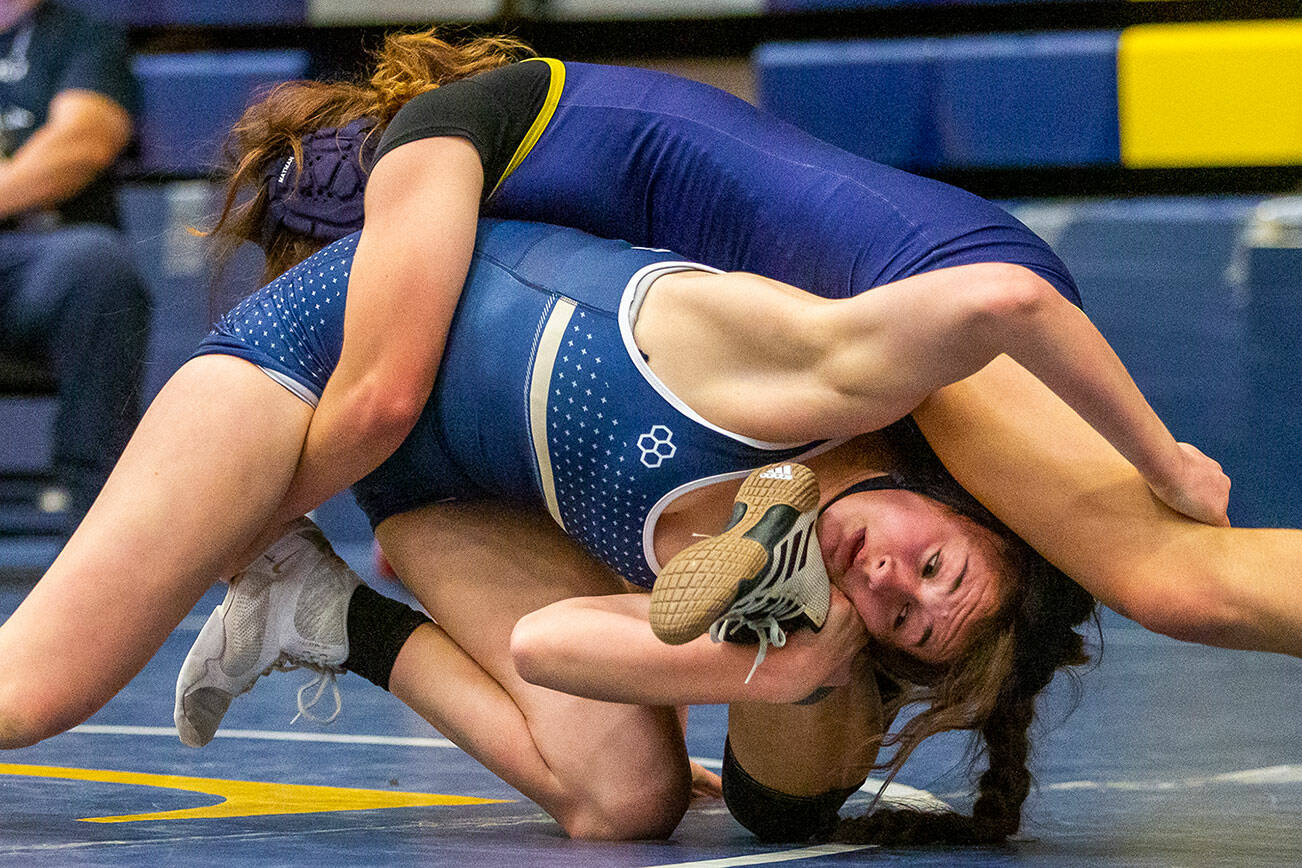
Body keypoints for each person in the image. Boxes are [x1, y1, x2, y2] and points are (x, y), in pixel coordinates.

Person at [204, 30, 1302, 659]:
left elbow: (379, 397)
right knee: (837, 603)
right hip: (904, 307)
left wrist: (243, 512)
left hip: (933, 301)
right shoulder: (525, 151)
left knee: (1179, 580)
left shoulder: (429, 157)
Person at [167, 216, 1099, 844]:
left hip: (464, 499)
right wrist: (1165, 464)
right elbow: (995, 296)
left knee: (625, 803)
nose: (889, 579)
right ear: (953, 500)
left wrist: (783, 670)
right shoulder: (862, 382)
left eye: (903, 619)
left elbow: (548, 644)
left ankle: (323, 612)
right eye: (933, 563)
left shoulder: (812, 608)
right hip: (435, 379)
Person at [0, 0, 149, 530]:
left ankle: (100, 518)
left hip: (35, 258)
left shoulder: (82, 37)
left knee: (97, 264)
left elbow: (82, 143)